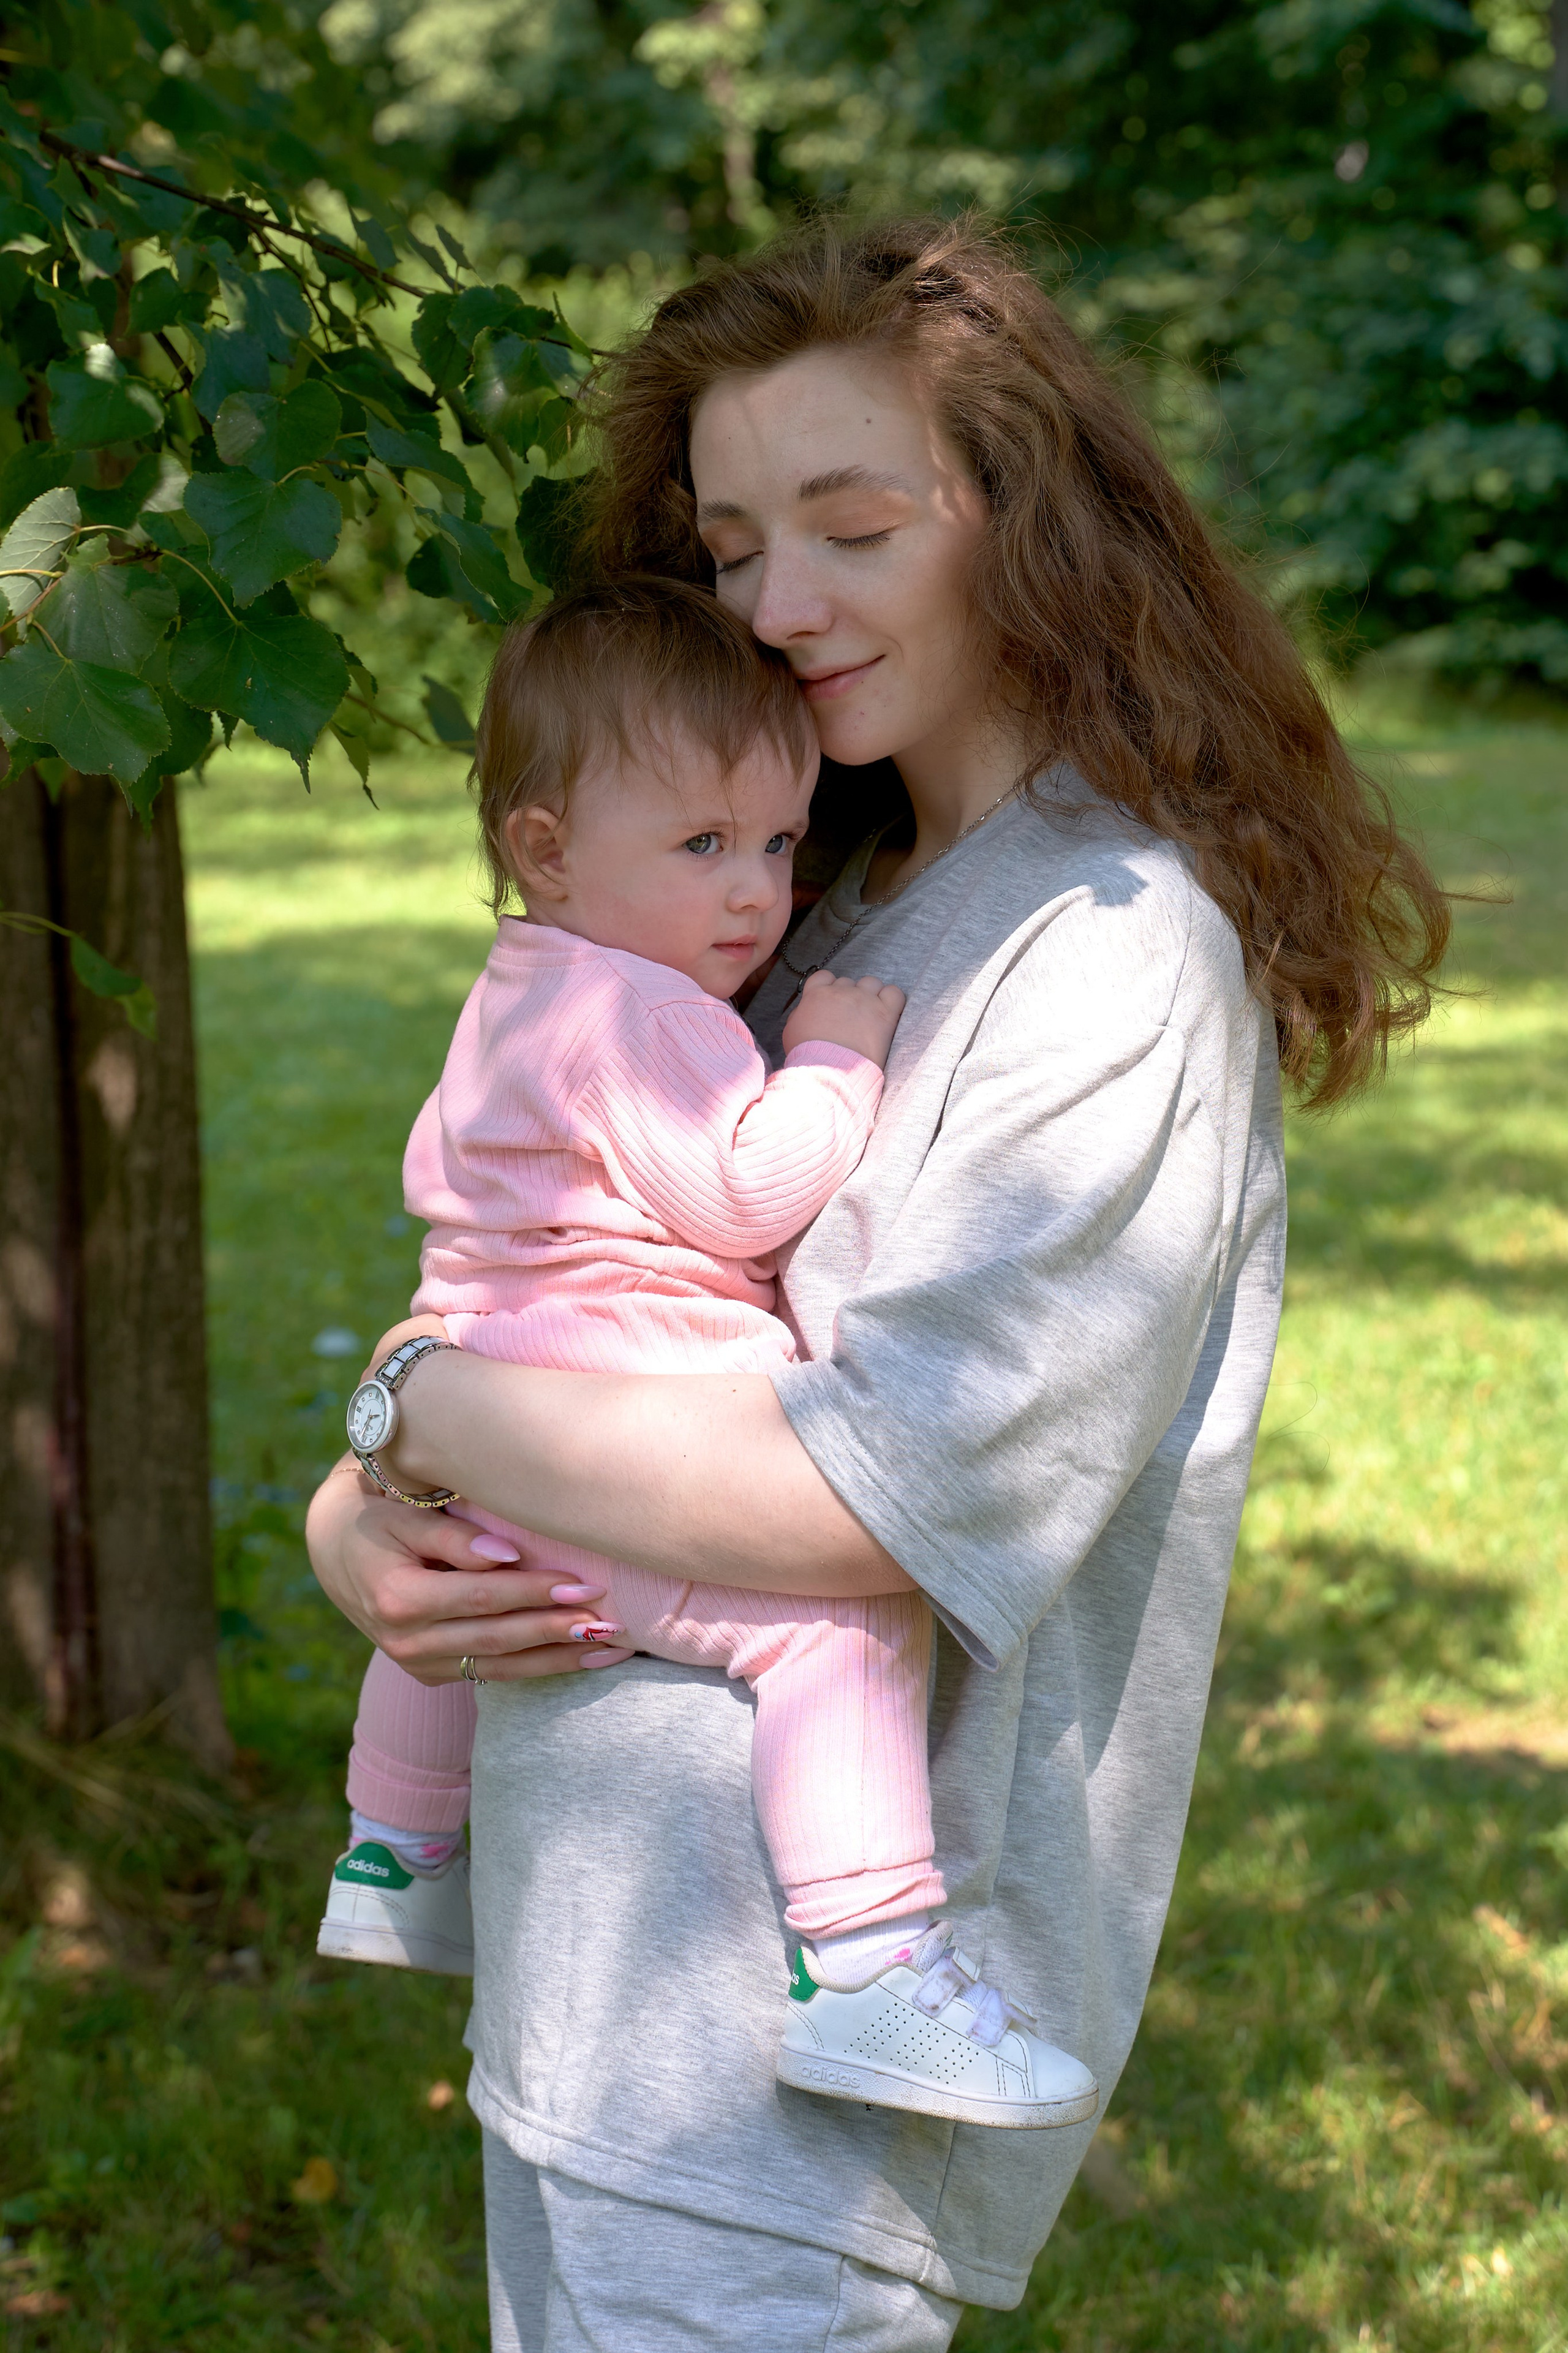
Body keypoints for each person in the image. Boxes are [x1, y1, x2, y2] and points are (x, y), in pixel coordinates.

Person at [307, 216, 1449, 2349]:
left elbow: (875, 1495)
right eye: (733, 543)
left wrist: (431, 1415)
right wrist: (370, 1508)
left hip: (809, 2067)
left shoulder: (1104, 946)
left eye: (851, 524)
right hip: (602, 1978)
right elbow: (533, 1275)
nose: (779, 603)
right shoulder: (796, 904)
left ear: (1031, 527)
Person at [316, 574, 1098, 2129]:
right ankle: (869, 1963)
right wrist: (830, 1057)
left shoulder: (523, 988)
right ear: (546, 847)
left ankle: (392, 1852)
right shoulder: (647, 1011)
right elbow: (743, 1185)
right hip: (612, 1416)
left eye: (775, 844)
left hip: (495, 1402)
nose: (753, 894)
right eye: (701, 847)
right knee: (833, 1627)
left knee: (454, 1607)